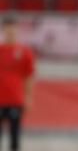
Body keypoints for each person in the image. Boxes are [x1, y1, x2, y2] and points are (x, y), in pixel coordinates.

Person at [0, 16, 35, 151]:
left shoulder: (24, 52)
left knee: (15, 136)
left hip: (15, 99)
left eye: (13, 31)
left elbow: (29, 76)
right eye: (8, 31)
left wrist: (28, 97)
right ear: (4, 31)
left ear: (17, 31)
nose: (10, 34)